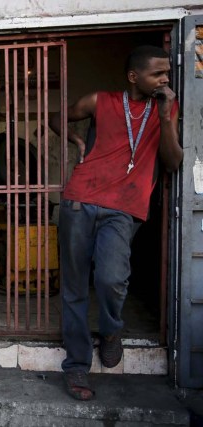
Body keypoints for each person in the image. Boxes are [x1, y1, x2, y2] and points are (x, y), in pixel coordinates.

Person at [48, 45, 182, 401]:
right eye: (158, 73)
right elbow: (56, 117)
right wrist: (78, 141)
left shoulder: (165, 108)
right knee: (75, 287)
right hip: (80, 200)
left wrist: (166, 116)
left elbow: (172, 161)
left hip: (124, 208)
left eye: (167, 72)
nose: (165, 78)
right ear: (134, 77)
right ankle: (76, 364)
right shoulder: (100, 101)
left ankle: (110, 331)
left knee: (111, 279)